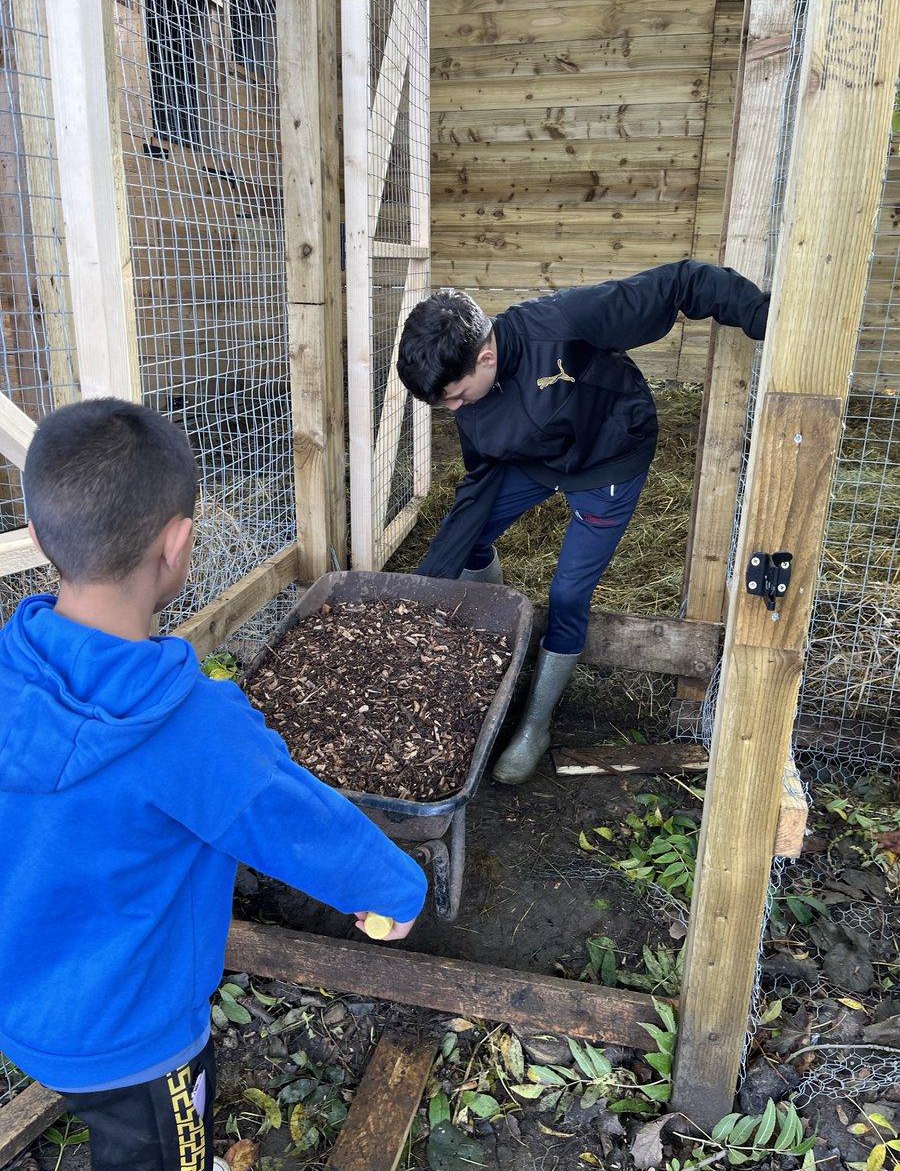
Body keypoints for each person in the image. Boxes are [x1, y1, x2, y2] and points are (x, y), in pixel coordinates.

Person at [0, 398, 427, 1171]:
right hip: (141, 1043)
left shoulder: (9, 675)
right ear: (179, 544)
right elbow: (295, 820)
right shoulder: (191, 726)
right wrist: (392, 887)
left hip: (24, 1004)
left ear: (36, 538)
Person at [397, 259, 769, 786]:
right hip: (533, 460)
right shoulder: (467, 403)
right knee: (464, 542)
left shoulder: (563, 324)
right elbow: (479, 475)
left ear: (485, 356)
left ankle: (535, 725)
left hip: (607, 459)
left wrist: (764, 315)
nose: (453, 409)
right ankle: (502, 630)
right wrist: (433, 575)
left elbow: (680, 282)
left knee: (569, 595)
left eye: (455, 395)